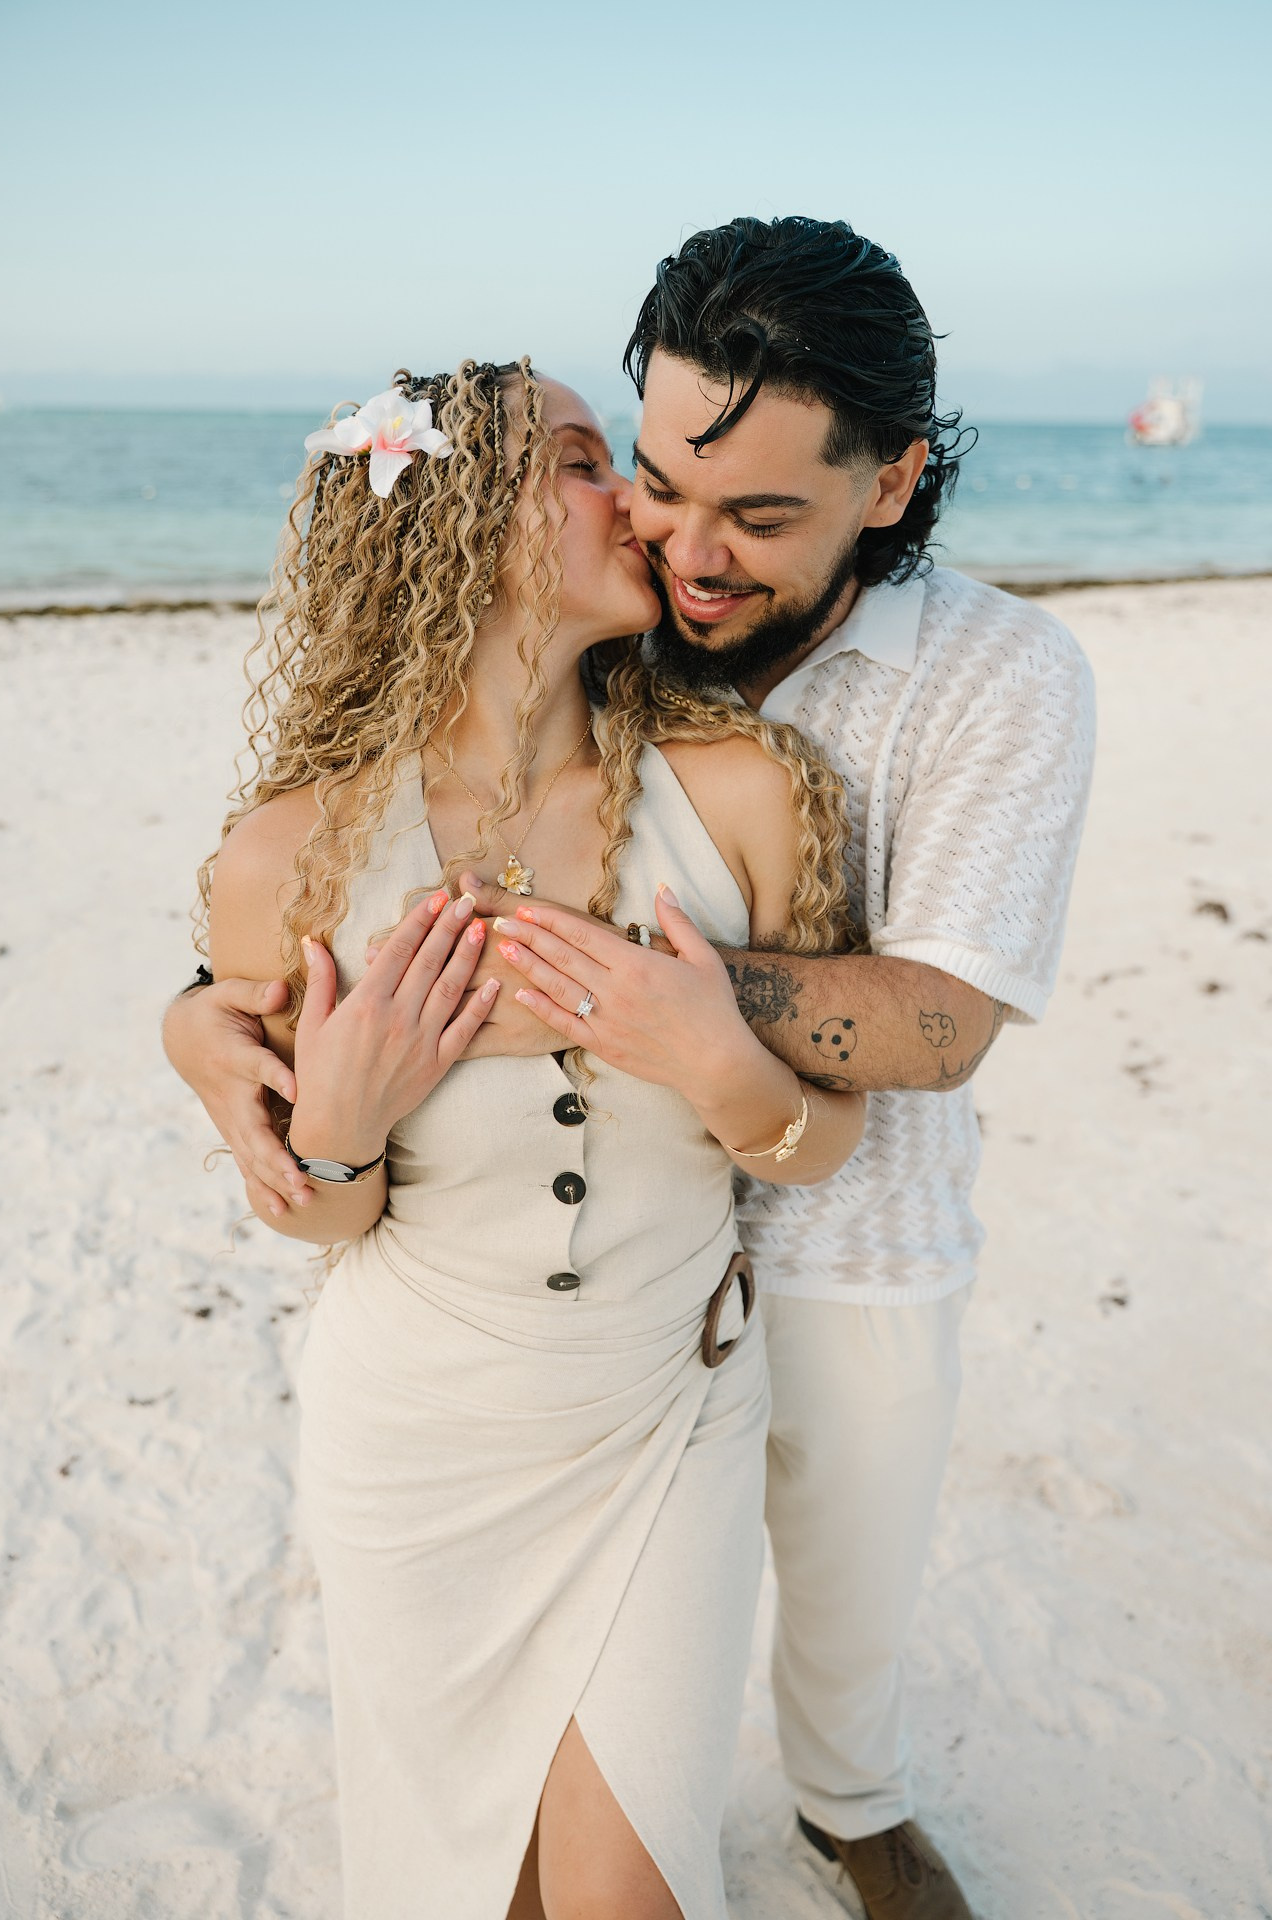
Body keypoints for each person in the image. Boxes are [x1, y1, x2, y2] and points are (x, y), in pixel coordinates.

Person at [167, 218, 1097, 1920]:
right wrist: (274, 1067)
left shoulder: (964, 691)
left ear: (885, 489)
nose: (677, 539)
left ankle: (853, 1809)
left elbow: (943, 1027)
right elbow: (332, 959)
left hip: (783, 1289)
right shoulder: (611, 656)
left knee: (837, 1609)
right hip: (443, 1392)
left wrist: (615, 999)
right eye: (645, 476)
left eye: (754, 517)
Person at [196, 355, 866, 1920]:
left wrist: (719, 1065)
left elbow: (823, 1145)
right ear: (451, 523)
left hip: (664, 1416)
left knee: (628, 1897)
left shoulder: (743, 798)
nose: (632, 496)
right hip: (416, 1437)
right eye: (581, 461)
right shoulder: (290, 857)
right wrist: (345, 1135)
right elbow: (312, 1217)